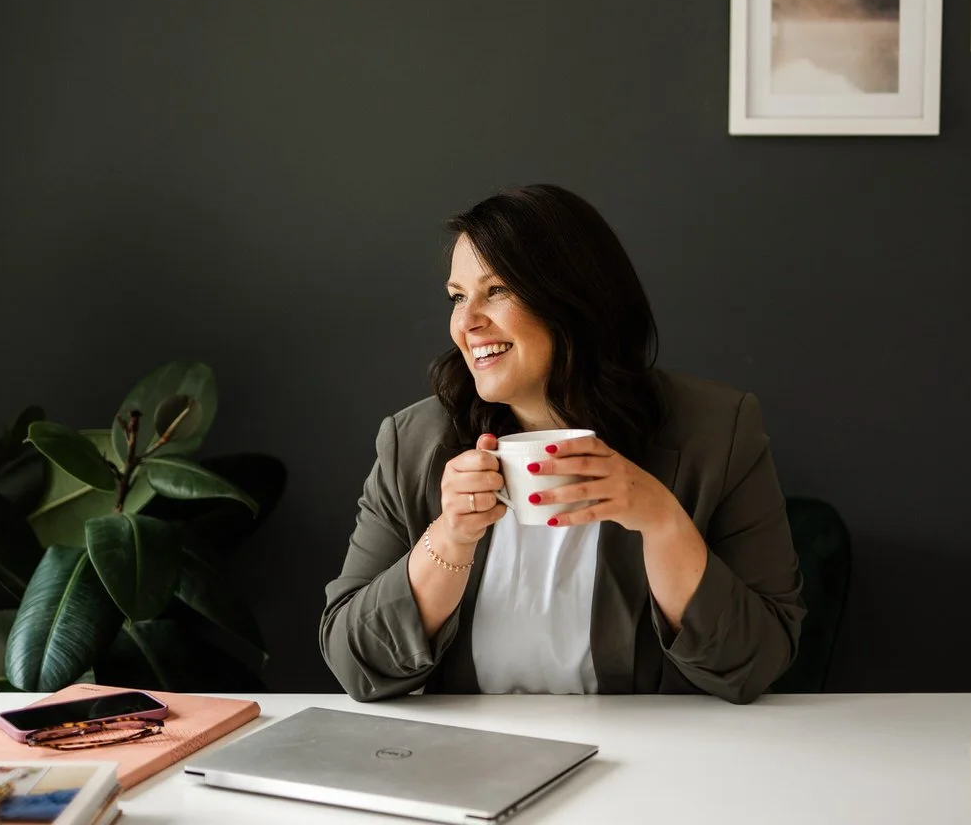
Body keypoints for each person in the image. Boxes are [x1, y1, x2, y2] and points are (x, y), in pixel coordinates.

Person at [320, 184, 804, 704]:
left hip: (658, 761)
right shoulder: (414, 441)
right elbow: (355, 664)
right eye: (458, 296)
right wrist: (450, 538)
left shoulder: (717, 430)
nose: (466, 322)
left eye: (497, 290)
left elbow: (756, 662)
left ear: (576, 299)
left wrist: (661, 520)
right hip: (465, 762)